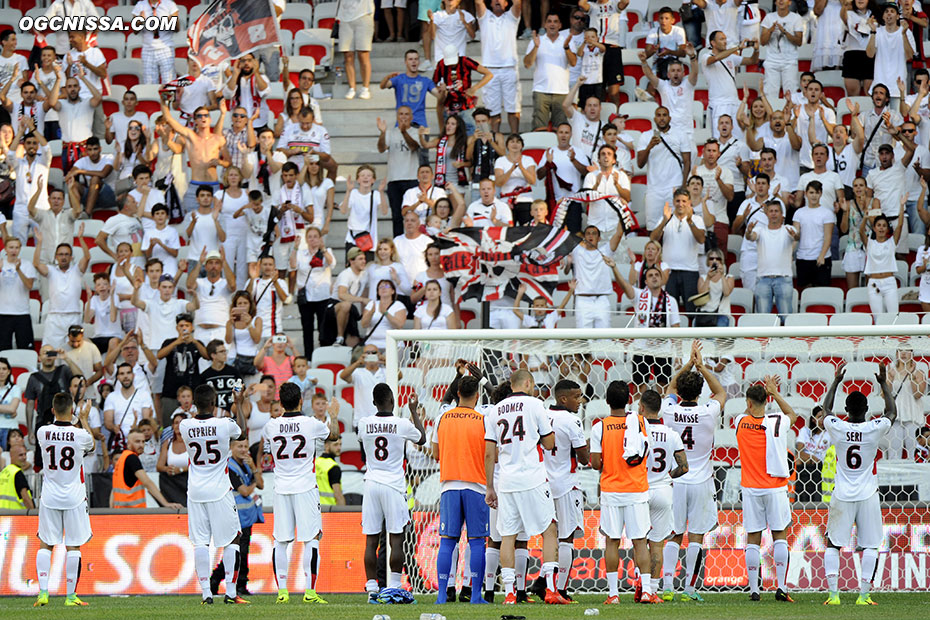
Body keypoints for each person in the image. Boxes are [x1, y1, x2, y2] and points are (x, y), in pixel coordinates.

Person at [484, 370, 567, 604]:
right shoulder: (535, 405)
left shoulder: (495, 410)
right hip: (533, 477)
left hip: (507, 480)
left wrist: (490, 487)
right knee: (549, 530)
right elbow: (550, 443)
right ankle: (551, 589)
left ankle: (509, 592)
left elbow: (490, 453)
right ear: (528, 383)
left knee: (507, 535)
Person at [821, 363, 896, 605]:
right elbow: (892, 413)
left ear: (846, 409)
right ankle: (863, 595)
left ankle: (833, 595)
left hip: (842, 493)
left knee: (833, 543)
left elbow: (825, 410)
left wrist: (836, 381)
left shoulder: (838, 428)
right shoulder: (873, 428)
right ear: (866, 409)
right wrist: (883, 383)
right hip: (868, 494)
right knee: (871, 544)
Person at [661, 341, 727, 602]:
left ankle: (667, 587)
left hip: (675, 479)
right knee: (695, 536)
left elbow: (669, 388)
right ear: (701, 392)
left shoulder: (669, 409)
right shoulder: (709, 411)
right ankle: (689, 590)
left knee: (674, 533)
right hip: (701, 481)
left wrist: (688, 365)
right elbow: (720, 391)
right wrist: (702, 367)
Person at [264, 382, 338, 603]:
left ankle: (283, 593)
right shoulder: (311, 424)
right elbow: (332, 436)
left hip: (281, 488)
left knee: (281, 540)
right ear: (300, 401)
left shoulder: (271, 426)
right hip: (305, 487)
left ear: (281, 402)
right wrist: (333, 415)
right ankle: (310, 592)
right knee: (311, 538)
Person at [591, 380, 659, 604]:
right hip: (637, 489)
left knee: (612, 541)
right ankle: (647, 591)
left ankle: (613, 594)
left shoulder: (599, 427)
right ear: (629, 400)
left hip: (611, 489)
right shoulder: (641, 422)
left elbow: (594, 463)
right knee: (640, 541)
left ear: (607, 401)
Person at [181, 384, 249, 605]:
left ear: (194, 404)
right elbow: (243, 432)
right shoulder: (223, 424)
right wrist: (238, 403)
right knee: (233, 539)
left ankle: (205, 594)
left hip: (196, 491)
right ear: (213, 404)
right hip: (220, 489)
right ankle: (230, 592)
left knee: (200, 542)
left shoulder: (185, 425)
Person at [359, 383, 426, 599]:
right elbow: (422, 439)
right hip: (393, 485)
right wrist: (414, 411)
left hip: (371, 483)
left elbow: (363, 450)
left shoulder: (364, 423)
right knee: (395, 539)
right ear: (393, 401)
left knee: (371, 539)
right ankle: (395, 586)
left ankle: (371, 588)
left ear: (373, 402)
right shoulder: (401, 424)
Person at [736, 377, 798, 602]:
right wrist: (775, 394)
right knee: (779, 535)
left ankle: (754, 590)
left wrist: (756, 401)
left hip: (751, 489)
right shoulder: (777, 422)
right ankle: (781, 587)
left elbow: (747, 412)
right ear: (767, 401)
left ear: (749, 403)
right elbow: (794, 415)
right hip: (775, 488)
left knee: (753, 537)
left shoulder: (740, 422)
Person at [33, 393, 94, 608]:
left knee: (46, 544)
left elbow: (58, 429)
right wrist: (83, 419)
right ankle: (70, 596)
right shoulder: (80, 435)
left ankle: (42, 592)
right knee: (73, 546)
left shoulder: (43, 432)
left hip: (49, 496)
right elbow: (92, 445)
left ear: (52, 410)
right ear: (72, 411)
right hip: (74, 497)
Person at [541, 379, 589, 602]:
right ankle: (560, 589)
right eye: (577, 396)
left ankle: (542, 582)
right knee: (566, 538)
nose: (581, 401)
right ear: (563, 398)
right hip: (567, 484)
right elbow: (584, 457)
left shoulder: (542, 414)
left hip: (543, 483)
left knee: (548, 536)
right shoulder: (572, 420)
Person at [639, 388, 688, 600]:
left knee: (640, 542)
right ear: (659, 409)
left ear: (641, 407)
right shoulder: (671, 434)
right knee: (657, 544)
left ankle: (642, 588)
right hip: (662, 491)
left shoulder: (636, 432)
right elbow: (684, 467)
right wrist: (669, 475)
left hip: (640, 491)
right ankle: (654, 590)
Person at [209, 434, 264, 598]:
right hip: (234, 515)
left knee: (242, 550)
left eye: (246, 447)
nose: (243, 450)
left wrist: (254, 467)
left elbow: (261, 484)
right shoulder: (230, 467)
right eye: (239, 447)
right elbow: (245, 490)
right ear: (231, 448)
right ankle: (220, 580)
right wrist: (254, 480)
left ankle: (239, 583)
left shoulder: (247, 464)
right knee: (237, 550)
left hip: (246, 516)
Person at [158, 99, 227, 216]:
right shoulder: (191, 137)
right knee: (192, 223)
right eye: (199, 116)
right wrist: (163, 101)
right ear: (195, 120)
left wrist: (220, 162)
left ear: (210, 119)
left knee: (215, 223)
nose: (203, 118)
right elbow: (169, 119)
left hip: (214, 187)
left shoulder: (218, 139)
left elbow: (229, 163)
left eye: (206, 115)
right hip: (195, 185)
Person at [650, 190, 706, 315]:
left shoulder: (697, 219)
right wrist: (664, 221)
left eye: (684, 201)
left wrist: (690, 221)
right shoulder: (666, 218)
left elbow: (701, 239)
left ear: (689, 203)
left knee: (691, 311)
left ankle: (692, 335)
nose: (680, 204)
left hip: (690, 271)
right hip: (669, 273)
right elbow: (653, 238)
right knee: (668, 311)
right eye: (678, 201)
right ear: (673, 202)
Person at [33, 232, 90, 348]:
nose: (63, 257)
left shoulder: (77, 270)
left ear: (71, 257)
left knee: (75, 352)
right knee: (50, 352)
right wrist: (39, 243)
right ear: (56, 257)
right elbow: (36, 264)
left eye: (66, 254)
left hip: (73, 316)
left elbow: (88, 257)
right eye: (61, 254)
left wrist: (81, 239)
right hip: (55, 317)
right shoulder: (51, 271)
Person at [637, 107, 691, 228]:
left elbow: (687, 162)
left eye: (664, 115)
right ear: (655, 118)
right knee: (652, 227)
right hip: (654, 189)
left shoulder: (680, 135)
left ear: (669, 118)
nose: (662, 118)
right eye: (659, 115)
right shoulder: (646, 136)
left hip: (674, 187)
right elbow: (640, 163)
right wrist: (649, 146)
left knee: (677, 226)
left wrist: (683, 185)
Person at [745, 200, 799, 321]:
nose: (774, 214)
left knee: (786, 318)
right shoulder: (760, 230)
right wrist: (748, 231)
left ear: (781, 214)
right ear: (767, 213)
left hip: (783, 279)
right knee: (764, 320)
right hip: (763, 279)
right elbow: (751, 237)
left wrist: (795, 236)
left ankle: (787, 340)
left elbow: (797, 236)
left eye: (776, 211)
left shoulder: (788, 229)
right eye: (771, 211)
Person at [476, 0, 523, 134]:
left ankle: (515, 138)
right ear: (490, 4)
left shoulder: (511, 17)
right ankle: (495, 142)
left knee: (513, 109)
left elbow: (518, 3)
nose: (497, 1)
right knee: (492, 110)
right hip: (489, 71)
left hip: (509, 69)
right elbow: (478, 3)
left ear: (506, 4)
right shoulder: (485, 18)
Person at [701, 31, 759, 138]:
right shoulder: (705, 56)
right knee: (720, 139)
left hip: (734, 102)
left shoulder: (731, 57)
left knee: (738, 139)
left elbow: (752, 61)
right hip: (719, 104)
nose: (725, 41)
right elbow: (716, 58)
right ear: (713, 43)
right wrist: (737, 48)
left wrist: (756, 49)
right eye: (721, 39)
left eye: (725, 39)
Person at [525, 12, 576, 130]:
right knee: (539, 129)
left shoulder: (567, 41)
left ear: (560, 25)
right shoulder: (536, 41)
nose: (552, 24)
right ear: (545, 25)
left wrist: (567, 47)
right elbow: (527, 64)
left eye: (555, 21)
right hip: (541, 90)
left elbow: (573, 63)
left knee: (560, 130)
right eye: (549, 21)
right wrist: (536, 47)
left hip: (561, 91)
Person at [640, 48, 699, 148]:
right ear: (668, 74)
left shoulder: (688, 85)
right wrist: (644, 62)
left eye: (678, 70)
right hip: (669, 132)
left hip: (687, 132)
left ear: (683, 73)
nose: (676, 73)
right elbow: (650, 75)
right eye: (673, 71)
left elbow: (695, 72)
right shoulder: (664, 86)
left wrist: (692, 58)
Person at [110, 427, 181, 509]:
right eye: (137, 441)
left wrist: (111, 510)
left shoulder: (122, 459)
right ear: (128, 443)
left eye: (143, 441)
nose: (141, 445)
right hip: (132, 511)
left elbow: (113, 490)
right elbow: (147, 482)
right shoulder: (132, 458)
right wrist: (166, 504)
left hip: (120, 512)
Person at [378, 108, 422, 237]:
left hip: (411, 178)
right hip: (394, 179)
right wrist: (382, 133)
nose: (403, 116)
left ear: (411, 117)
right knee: (397, 216)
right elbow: (381, 148)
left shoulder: (416, 132)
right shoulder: (390, 132)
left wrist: (404, 132)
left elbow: (414, 146)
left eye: (407, 114)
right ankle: (397, 244)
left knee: (413, 214)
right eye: (401, 114)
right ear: (397, 116)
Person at [867, 2, 915, 101]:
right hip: (879, 86)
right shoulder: (877, 31)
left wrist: (904, 34)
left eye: (892, 11)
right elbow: (870, 54)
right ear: (883, 16)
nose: (889, 14)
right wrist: (873, 32)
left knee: (896, 116)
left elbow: (910, 56)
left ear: (898, 16)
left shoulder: (907, 32)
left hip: (897, 86)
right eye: (886, 11)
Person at [861, 210, 905, 317]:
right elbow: (861, 231)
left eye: (884, 226)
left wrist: (902, 205)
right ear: (874, 228)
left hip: (889, 282)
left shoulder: (891, 242)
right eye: (879, 225)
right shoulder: (870, 243)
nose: (881, 228)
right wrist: (866, 217)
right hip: (874, 283)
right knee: (878, 317)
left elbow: (899, 225)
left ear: (887, 229)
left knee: (893, 316)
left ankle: (892, 334)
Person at [760, 0, 804, 101]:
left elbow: (799, 41)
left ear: (789, 2)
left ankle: (791, 116)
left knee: (791, 93)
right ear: (775, 2)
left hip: (790, 61)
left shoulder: (796, 18)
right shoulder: (769, 17)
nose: (780, 1)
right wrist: (771, 30)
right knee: (770, 93)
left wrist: (784, 32)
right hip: (772, 61)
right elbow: (763, 41)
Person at [886, 348, 926, 459]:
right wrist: (890, 378)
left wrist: (912, 376)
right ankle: (894, 476)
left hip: (913, 417)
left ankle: (914, 476)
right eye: (900, 350)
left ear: (912, 354)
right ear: (896, 353)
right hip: (896, 417)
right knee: (893, 454)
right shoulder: (890, 371)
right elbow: (885, 395)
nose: (903, 353)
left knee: (913, 454)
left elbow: (918, 394)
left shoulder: (919, 373)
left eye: (907, 350)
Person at [0, 237, 36, 350]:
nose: (14, 250)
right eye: (11, 247)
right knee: (3, 350)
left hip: (22, 313)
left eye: (16, 247)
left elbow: (29, 286)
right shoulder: (1, 264)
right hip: (3, 312)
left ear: (20, 249)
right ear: (5, 249)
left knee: (26, 349)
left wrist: (18, 270)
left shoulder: (26, 264)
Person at [338, 0, 376, 100]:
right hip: (345, 17)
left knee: (363, 54)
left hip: (363, 15)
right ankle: (352, 88)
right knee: (348, 55)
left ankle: (365, 87)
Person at [842, 0, 876, 96]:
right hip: (852, 55)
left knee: (870, 92)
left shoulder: (876, 15)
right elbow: (843, 18)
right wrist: (845, 6)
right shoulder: (848, 13)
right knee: (852, 93)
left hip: (870, 55)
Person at [156, 411, 190, 505]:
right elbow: (159, 466)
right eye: (176, 423)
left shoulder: (192, 443)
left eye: (181, 423)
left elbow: (198, 464)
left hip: (188, 480)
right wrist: (168, 469)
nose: (178, 425)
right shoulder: (168, 443)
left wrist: (181, 469)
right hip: (173, 482)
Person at [0, 441, 34, 509]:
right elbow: (25, 498)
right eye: (21, 455)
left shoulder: (4, 472)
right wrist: (33, 514)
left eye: (25, 454)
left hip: (3, 515)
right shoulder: (17, 473)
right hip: (16, 516)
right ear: (12, 456)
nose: (24, 457)